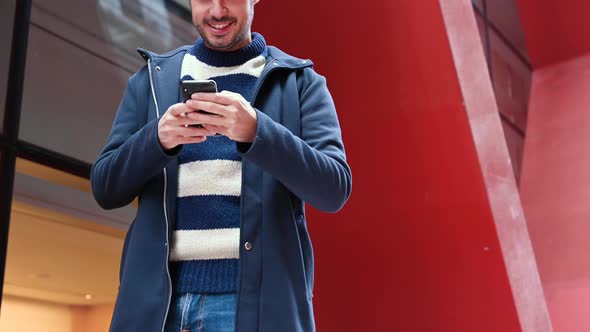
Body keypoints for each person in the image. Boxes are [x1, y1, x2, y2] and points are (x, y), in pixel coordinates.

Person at [91, 0, 351, 331]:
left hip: (253, 306)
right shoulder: (150, 80)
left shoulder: (301, 81)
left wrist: (257, 132)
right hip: (160, 309)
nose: (216, 11)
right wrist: (156, 139)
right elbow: (106, 189)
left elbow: (334, 190)